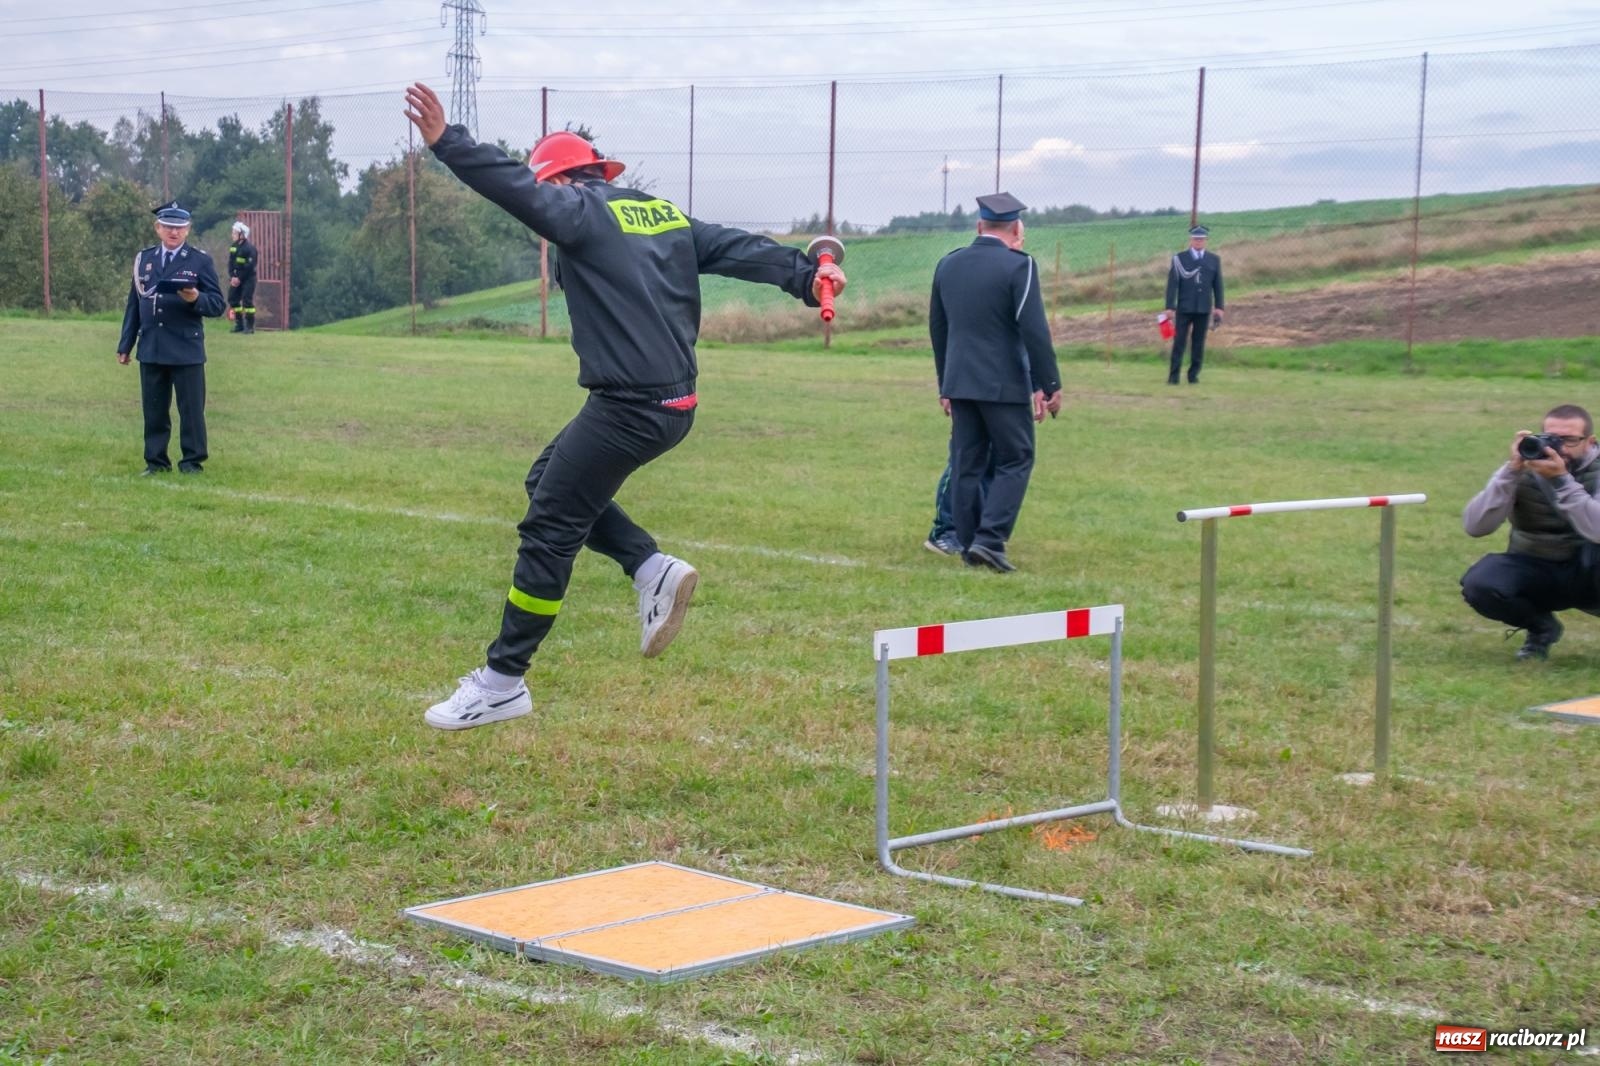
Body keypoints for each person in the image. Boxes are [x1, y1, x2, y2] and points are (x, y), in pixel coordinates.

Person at [402, 82, 847, 731]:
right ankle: (648, 566)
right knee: (545, 480)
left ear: (562, 184)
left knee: (549, 527)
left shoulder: (579, 211)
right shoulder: (660, 215)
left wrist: (449, 143)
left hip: (628, 408)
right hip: (674, 402)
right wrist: (807, 277)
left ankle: (502, 683)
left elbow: (514, 190)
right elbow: (737, 247)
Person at [929, 191, 1062, 574]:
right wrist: (1048, 383)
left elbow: (939, 329)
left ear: (979, 226)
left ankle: (970, 542)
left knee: (967, 462)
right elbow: (1033, 328)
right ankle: (990, 539)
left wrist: (945, 385)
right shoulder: (1020, 266)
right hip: (1003, 383)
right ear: (1017, 228)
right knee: (1015, 457)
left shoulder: (948, 264)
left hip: (959, 381)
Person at [1461, 404, 1600, 660]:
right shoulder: (1522, 468)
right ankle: (1541, 628)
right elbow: (1475, 526)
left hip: (1589, 570)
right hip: (1537, 566)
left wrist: (1561, 481)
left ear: (1590, 442)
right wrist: (1510, 471)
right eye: (1551, 438)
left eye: (1569, 440)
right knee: (1480, 584)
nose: (1559, 448)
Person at [116, 201, 226, 475]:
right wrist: (125, 344)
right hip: (152, 345)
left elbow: (217, 304)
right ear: (158, 228)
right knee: (154, 409)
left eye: (179, 228)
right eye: (168, 227)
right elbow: (135, 304)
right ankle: (156, 462)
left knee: (191, 411)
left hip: (186, 347)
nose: (173, 233)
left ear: (188, 230)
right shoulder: (145, 259)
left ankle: (192, 462)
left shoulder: (200, 261)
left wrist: (197, 298)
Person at [1164, 224, 1225, 385]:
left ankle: (1193, 376)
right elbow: (1172, 285)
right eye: (1196, 239)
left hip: (1204, 308)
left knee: (1198, 344)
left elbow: (1218, 285)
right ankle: (1173, 376)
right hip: (1184, 307)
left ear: (1206, 241)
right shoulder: (1179, 259)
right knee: (1179, 342)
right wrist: (1170, 306)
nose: (1198, 242)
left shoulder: (1214, 260)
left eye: (1201, 239)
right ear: (1191, 240)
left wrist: (1219, 307)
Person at [227, 220, 258, 334]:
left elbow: (249, 267)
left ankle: (249, 326)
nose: (232, 235)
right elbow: (230, 262)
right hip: (236, 279)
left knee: (247, 301)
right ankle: (239, 324)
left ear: (242, 235)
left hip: (248, 279)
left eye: (235, 233)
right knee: (233, 299)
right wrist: (232, 277)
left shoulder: (250, 249)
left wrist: (239, 278)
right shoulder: (233, 247)